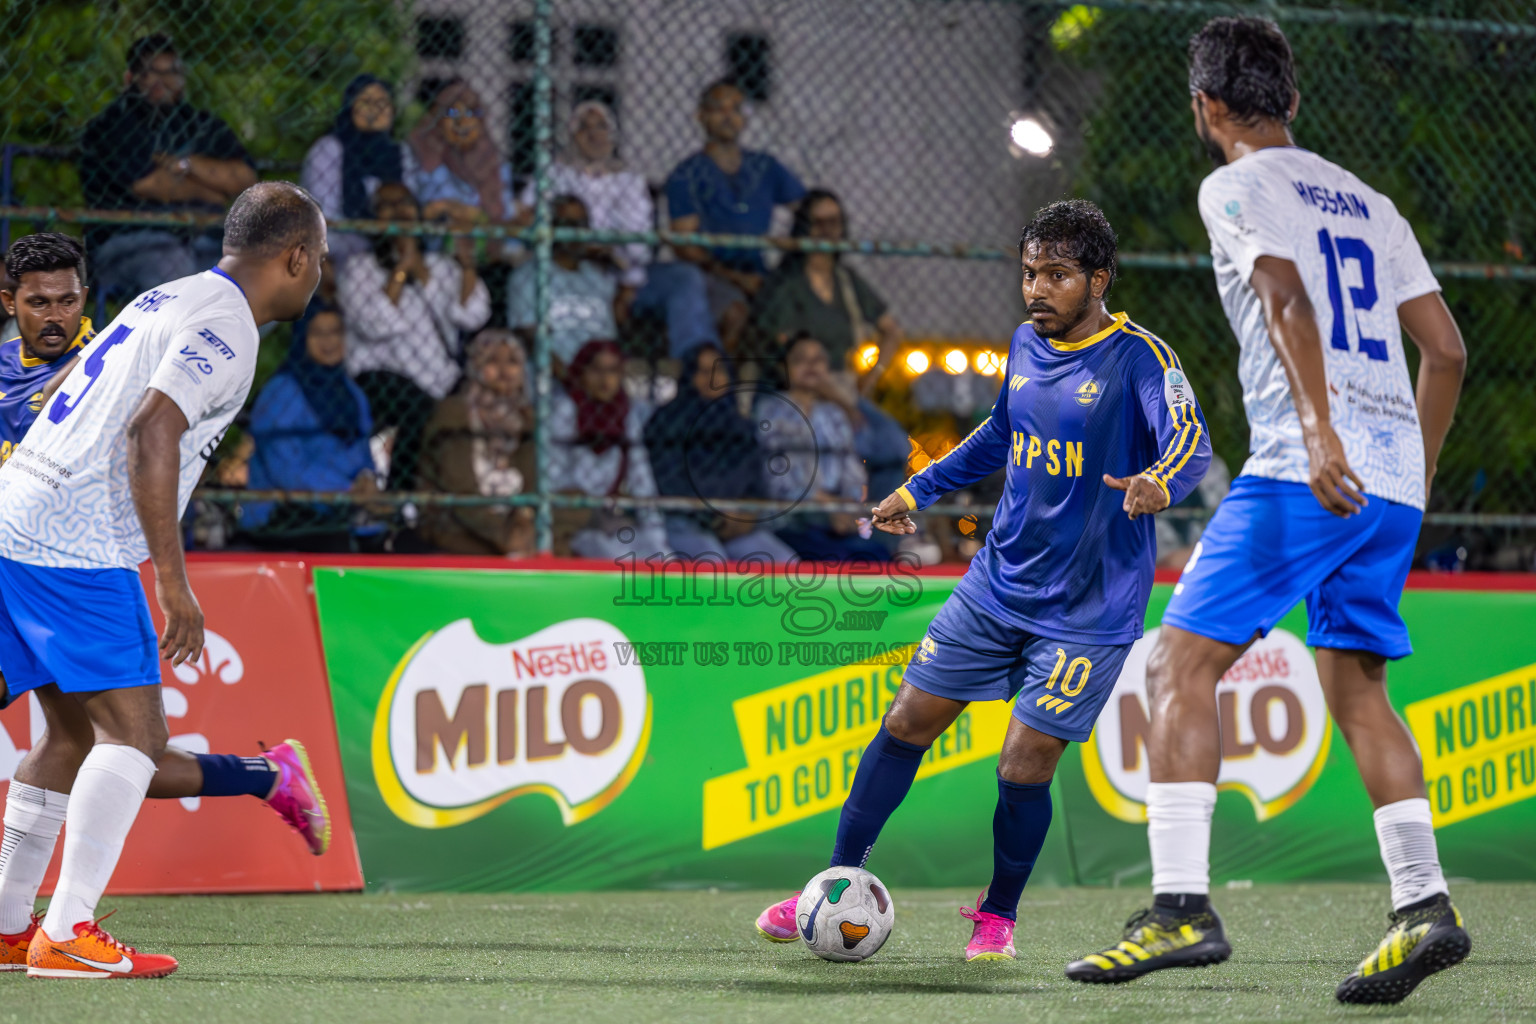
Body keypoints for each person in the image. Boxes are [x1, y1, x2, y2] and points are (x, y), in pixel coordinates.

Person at [1068, 19, 1468, 1005]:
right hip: (1392, 485)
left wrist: (1325, 436)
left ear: (1206, 108)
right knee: (1359, 690)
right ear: (1292, 100)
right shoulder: (1370, 201)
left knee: (1177, 660)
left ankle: (1178, 910)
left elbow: (1286, 301)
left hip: (1306, 468)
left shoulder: (1235, 184)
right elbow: (1447, 352)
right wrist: (1404, 468)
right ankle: (1423, 906)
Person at [755, 201, 1211, 963]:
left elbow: (1189, 440)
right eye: (1030, 273)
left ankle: (998, 915)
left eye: (1057, 275)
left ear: (1098, 279)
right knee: (906, 721)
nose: (1037, 289)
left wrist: (1160, 482)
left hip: (1087, 611)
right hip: (997, 585)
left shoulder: (1141, 358)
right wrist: (917, 489)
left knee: (1022, 763)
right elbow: (999, 434)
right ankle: (836, 880)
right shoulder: (1027, 342)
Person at [0, 182, 328, 978]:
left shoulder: (173, 292)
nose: (318, 272)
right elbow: (156, 427)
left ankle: (10, 928)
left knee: (73, 736)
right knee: (137, 740)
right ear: (294, 258)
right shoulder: (226, 323)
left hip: (18, 518)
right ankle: (69, 932)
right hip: (73, 543)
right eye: (317, 258)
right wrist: (174, 582)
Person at [517, 101, 720, 359]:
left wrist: (627, 285)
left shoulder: (629, 180)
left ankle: (694, 364)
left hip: (625, 273)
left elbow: (639, 246)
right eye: (583, 127)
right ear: (570, 135)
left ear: (613, 134)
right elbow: (524, 220)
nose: (594, 134)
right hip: (570, 274)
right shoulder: (551, 175)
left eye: (602, 126)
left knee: (686, 279)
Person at [753, 189, 913, 509]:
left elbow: (892, 331)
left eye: (834, 222)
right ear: (803, 228)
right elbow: (794, 358)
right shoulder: (788, 284)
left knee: (896, 447)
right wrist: (847, 404)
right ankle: (826, 520)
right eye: (818, 222)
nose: (827, 231)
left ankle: (880, 535)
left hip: (843, 386)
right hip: (802, 388)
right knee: (859, 445)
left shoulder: (846, 281)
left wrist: (871, 379)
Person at [78, 34, 257, 298]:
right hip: (133, 244)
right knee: (175, 265)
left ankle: (218, 340)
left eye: (172, 71)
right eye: (152, 72)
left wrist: (187, 165)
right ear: (131, 78)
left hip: (206, 241)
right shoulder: (113, 125)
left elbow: (246, 178)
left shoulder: (203, 124)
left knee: (258, 276)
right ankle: (176, 339)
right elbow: (150, 185)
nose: (163, 80)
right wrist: (212, 190)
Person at [338, 181, 490, 489]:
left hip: (439, 380)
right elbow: (375, 325)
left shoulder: (442, 267)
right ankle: (399, 497)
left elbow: (473, 315)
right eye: (386, 206)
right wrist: (400, 270)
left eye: (405, 204)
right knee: (416, 409)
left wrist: (467, 265)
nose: (398, 212)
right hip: (381, 379)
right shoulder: (359, 269)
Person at [665, 80, 806, 350]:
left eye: (736, 109)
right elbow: (685, 246)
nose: (729, 117)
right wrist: (735, 278)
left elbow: (808, 208)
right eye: (719, 109)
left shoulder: (764, 166)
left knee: (796, 310)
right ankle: (724, 385)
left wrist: (790, 250)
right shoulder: (687, 174)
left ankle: (781, 386)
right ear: (701, 116)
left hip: (760, 270)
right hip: (712, 274)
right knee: (735, 313)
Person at [243, 304, 382, 548]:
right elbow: (287, 471)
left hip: (343, 511)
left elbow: (363, 455)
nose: (329, 341)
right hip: (285, 514)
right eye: (318, 333)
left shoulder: (351, 393)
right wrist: (348, 490)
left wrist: (367, 480)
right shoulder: (282, 392)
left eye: (335, 332)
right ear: (302, 338)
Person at [643, 343, 796, 563]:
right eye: (703, 372)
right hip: (682, 520)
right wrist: (714, 516)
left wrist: (747, 516)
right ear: (689, 377)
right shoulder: (668, 422)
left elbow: (756, 483)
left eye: (720, 370)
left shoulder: (740, 426)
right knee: (713, 563)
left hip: (734, 524)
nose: (713, 379)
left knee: (786, 563)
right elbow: (668, 482)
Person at [756, 334, 889, 562]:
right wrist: (829, 505)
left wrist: (847, 506)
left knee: (877, 555)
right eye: (800, 360)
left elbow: (853, 469)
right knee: (832, 557)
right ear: (784, 368)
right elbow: (777, 480)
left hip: (833, 521)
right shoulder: (770, 411)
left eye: (818, 360)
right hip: (789, 519)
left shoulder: (833, 414)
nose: (811, 366)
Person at [418, 328, 537, 556]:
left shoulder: (525, 416)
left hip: (511, 521)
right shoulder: (454, 411)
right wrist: (502, 534)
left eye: (512, 361)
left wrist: (524, 519)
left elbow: (531, 479)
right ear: (477, 366)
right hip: (459, 522)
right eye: (493, 360)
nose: (504, 370)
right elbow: (460, 488)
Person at [547, 340, 669, 560]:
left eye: (613, 370)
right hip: (573, 515)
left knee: (658, 556)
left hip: (609, 515)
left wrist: (657, 537)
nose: (605, 379)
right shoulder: (566, 409)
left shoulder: (625, 415)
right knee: (617, 557)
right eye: (596, 370)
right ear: (581, 372)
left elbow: (642, 480)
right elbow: (553, 476)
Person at [505, 195, 618, 374]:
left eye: (582, 224)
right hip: (551, 383)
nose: (576, 232)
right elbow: (530, 340)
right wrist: (572, 382)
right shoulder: (527, 276)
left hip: (598, 382)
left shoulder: (599, 278)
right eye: (568, 224)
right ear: (552, 227)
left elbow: (609, 341)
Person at [301, 74, 406, 264]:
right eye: (366, 101)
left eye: (382, 102)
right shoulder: (329, 148)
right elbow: (325, 215)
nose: (375, 109)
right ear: (350, 107)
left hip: (391, 246)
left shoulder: (399, 153)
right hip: (338, 245)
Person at [406, 79, 513, 233]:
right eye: (452, 113)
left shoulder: (497, 168)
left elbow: (506, 219)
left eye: (471, 112)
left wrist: (458, 210)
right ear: (438, 119)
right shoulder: (422, 160)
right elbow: (425, 211)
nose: (462, 121)